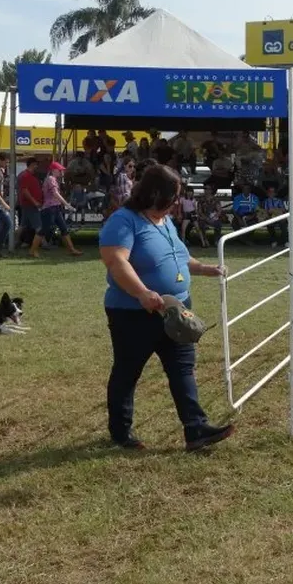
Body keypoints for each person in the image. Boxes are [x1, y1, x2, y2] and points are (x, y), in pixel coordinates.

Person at [98, 163, 233, 452]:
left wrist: (206, 269)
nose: (176, 202)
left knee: (182, 367)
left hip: (176, 310)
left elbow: (181, 258)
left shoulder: (166, 222)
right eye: (173, 196)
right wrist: (142, 293)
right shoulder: (123, 221)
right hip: (134, 313)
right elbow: (116, 261)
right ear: (155, 194)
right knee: (128, 371)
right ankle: (120, 432)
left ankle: (196, 429)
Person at [30, 161, 82, 258]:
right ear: (53, 170)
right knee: (44, 230)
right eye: (59, 170)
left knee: (64, 228)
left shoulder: (52, 179)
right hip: (49, 209)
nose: (61, 172)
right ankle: (33, 251)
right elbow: (55, 194)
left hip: (55, 208)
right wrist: (67, 204)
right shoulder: (51, 179)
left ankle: (71, 250)